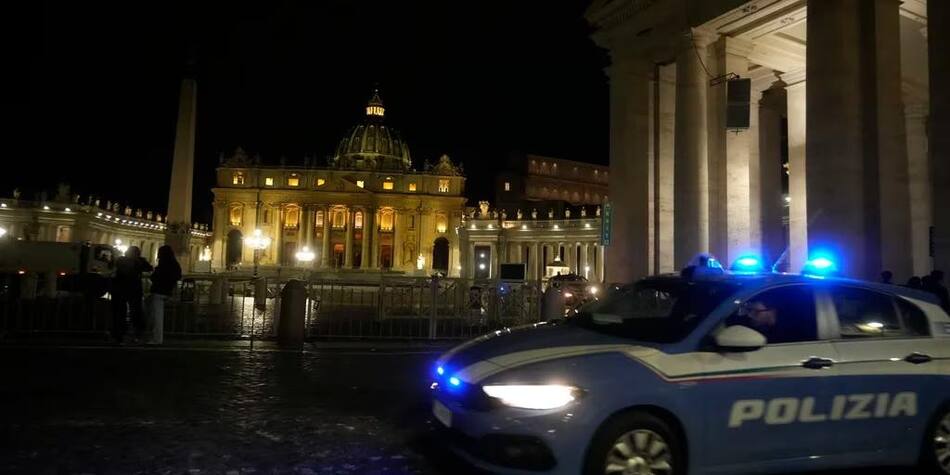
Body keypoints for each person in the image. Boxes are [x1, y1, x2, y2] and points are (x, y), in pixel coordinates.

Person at [111, 246, 153, 344]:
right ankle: (136, 335)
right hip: (134, 290)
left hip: (120, 290)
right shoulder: (139, 262)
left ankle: (119, 335)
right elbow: (149, 268)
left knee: (119, 313)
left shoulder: (120, 260)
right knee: (136, 313)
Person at [146, 245, 181, 345]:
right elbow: (178, 275)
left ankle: (156, 339)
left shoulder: (163, 264)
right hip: (168, 291)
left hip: (159, 291)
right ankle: (155, 337)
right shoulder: (175, 263)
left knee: (157, 317)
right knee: (157, 316)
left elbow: (154, 277)